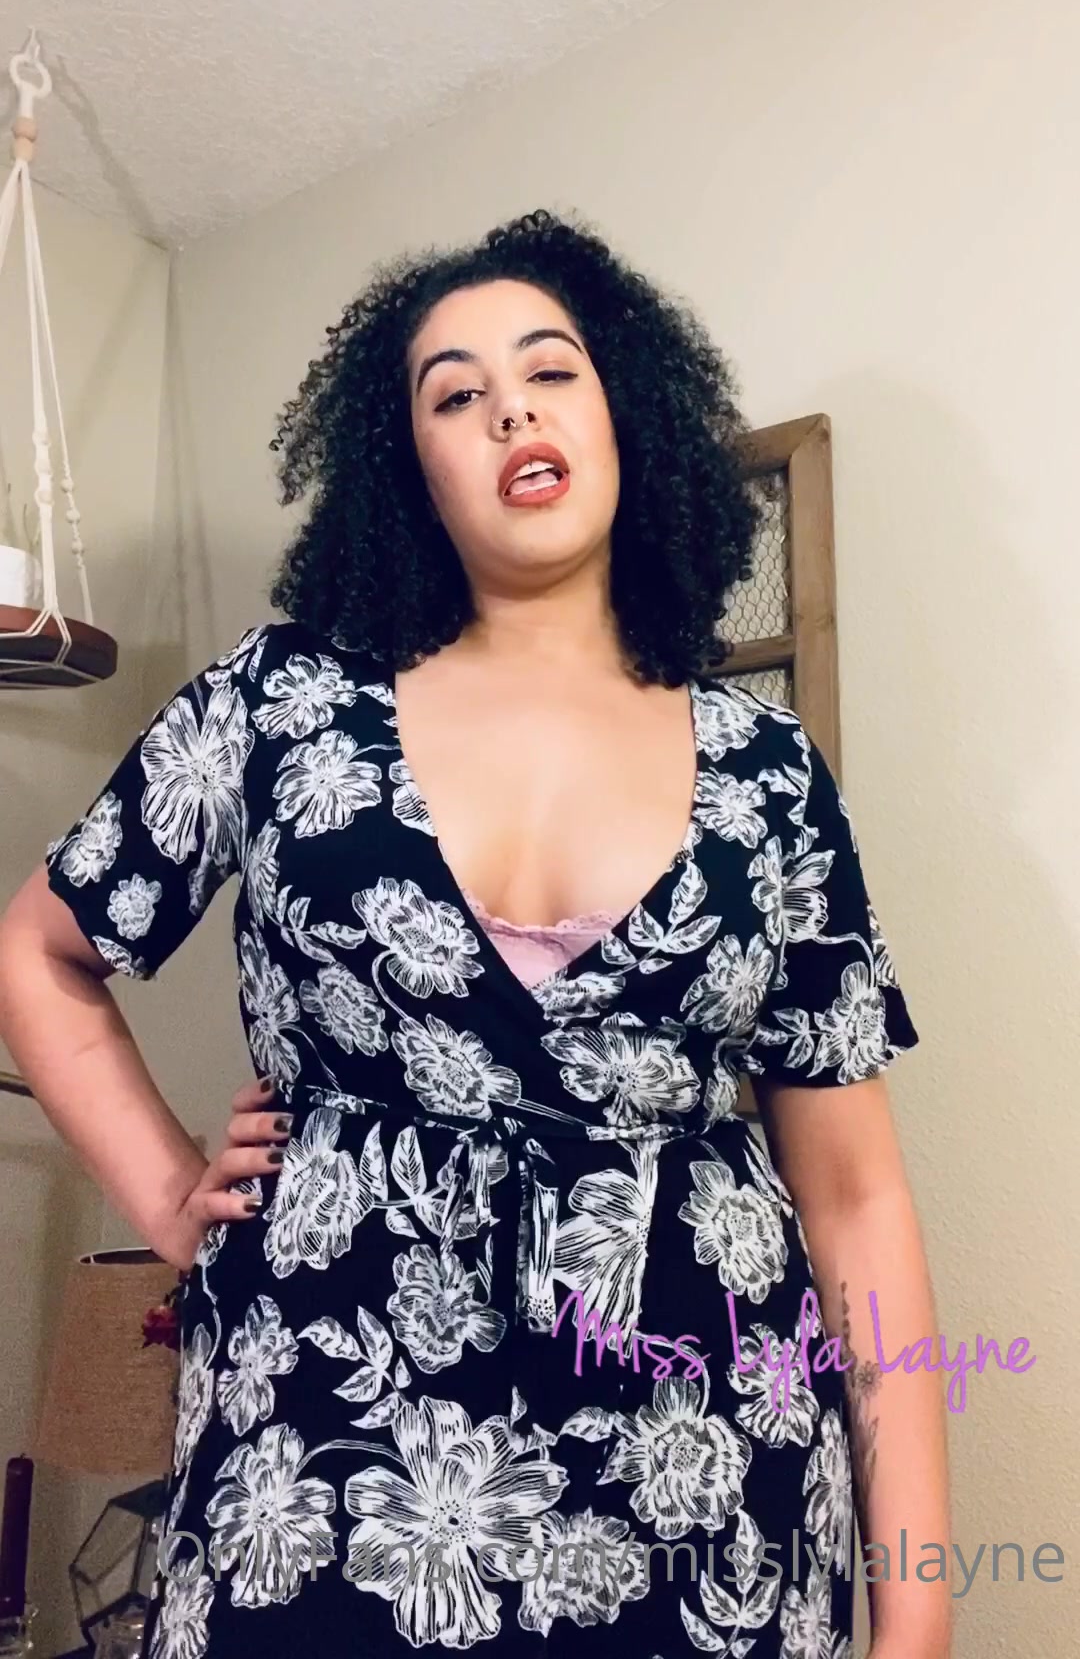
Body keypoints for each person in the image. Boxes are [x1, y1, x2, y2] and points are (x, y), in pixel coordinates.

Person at [0, 211, 950, 1659]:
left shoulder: (771, 779)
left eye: (551, 370)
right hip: (318, 1456)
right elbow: (40, 950)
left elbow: (859, 1200)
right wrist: (170, 1193)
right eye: (456, 394)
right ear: (412, 473)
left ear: (627, 417)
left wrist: (919, 1601)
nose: (511, 406)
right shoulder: (281, 704)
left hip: (708, 1479)